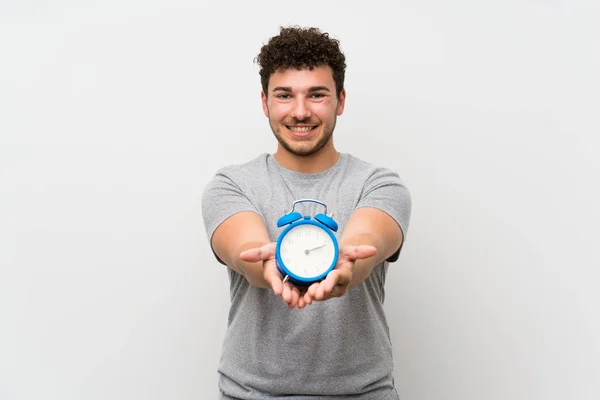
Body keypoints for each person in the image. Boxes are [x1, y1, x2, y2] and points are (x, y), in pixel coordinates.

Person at [202, 26, 412, 400]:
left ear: (340, 100)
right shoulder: (232, 184)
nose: (300, 111)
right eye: (284, 96)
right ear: (265, 103)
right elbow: (245, 246)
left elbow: (366, 240)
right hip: (252, 393)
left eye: (317, 95)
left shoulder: (380, 184)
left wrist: (347, 266)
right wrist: (265, 268)